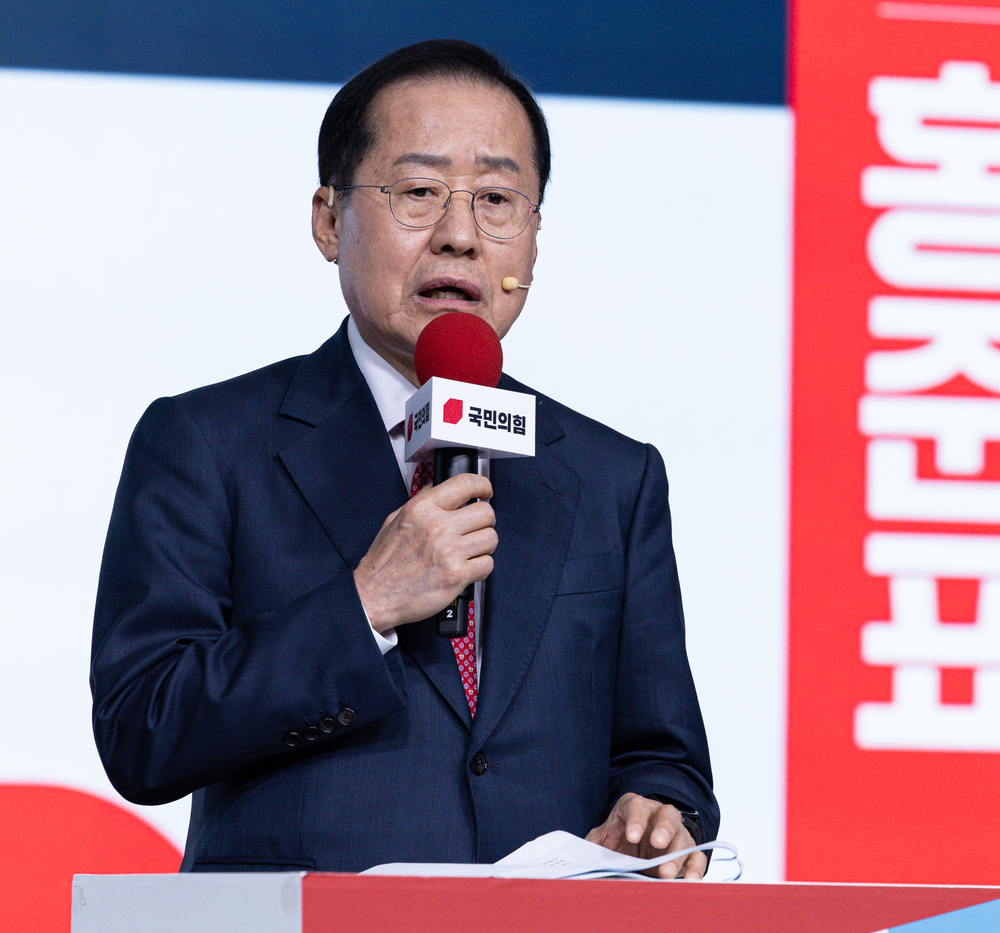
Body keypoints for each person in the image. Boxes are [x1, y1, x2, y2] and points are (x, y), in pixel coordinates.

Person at [90, 39, 717, 880]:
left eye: (497, 201)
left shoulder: (613, 477)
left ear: (534, 241)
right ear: (328, 220)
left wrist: (659, 813)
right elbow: (142, 729)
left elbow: (664, 758)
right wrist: (365, 605)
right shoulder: (207, 441)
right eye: (419, 193)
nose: (460, 236)